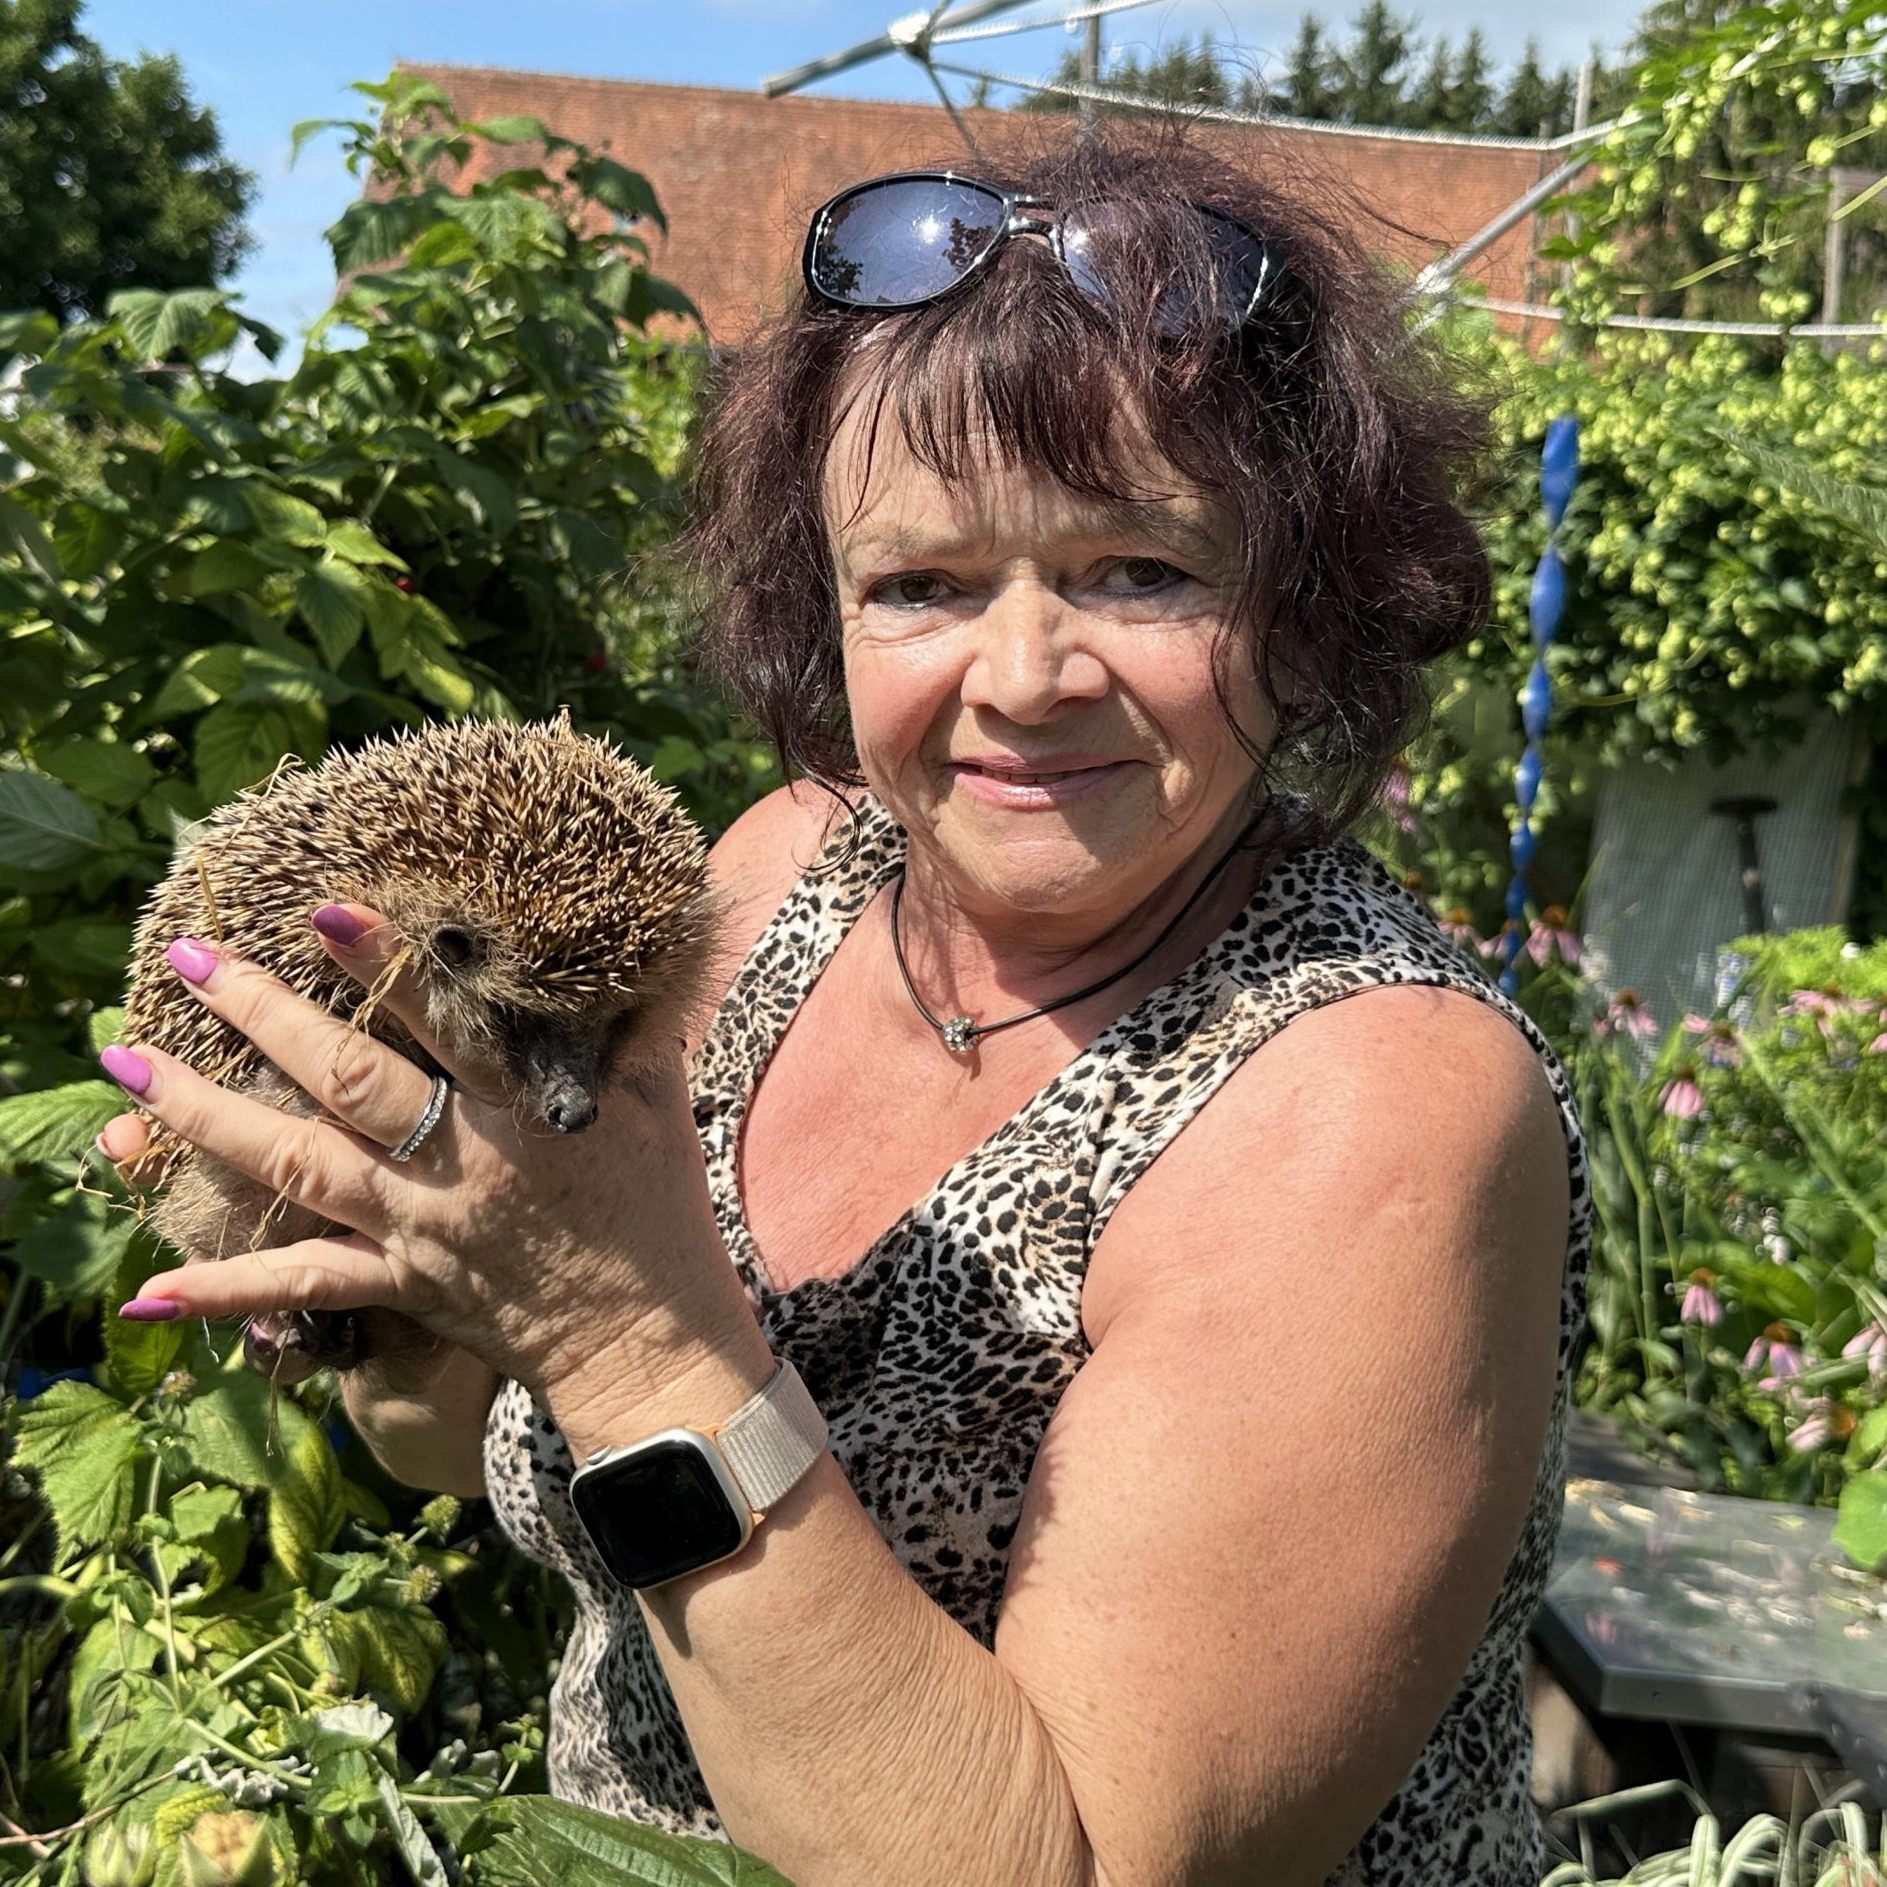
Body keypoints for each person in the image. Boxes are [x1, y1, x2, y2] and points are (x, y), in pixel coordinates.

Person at [102, 124, 1589, 1887]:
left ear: (1308, 602)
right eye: (925, 585)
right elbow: (442, 1447)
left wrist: (614, 1329)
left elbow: (1079, 1869)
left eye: (1144, 570)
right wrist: (399, 1273)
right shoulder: (777, 874)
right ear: (826, 605)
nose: (1026, 677)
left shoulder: (1375, 1111)